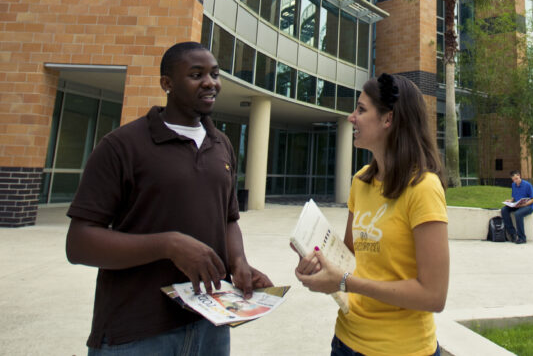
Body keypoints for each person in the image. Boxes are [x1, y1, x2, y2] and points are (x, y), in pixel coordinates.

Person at [66, 41, 271, 354]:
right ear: (167, 83)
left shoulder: (222, 145)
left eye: (215, 74)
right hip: (137, 330)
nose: (210, 82)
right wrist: (169, 245)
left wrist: (239, 261)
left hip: (210, 324)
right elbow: (79, 243)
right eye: (196, 74)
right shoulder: (121, 146)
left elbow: (228, 219)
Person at [294, 73, 449, 356]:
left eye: (362, 110)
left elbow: (434, 295)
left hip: (401, 349)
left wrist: (343, 281)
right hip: (345, 341)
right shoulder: (361, 180)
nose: (352, 118)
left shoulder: (424, 188)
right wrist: (316, 263)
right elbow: (350, 258)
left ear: (388, 119)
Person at [500, 170, 533, 244]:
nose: (515, 181)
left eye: (516, 178)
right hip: (517, 205)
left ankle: (522, 238)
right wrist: (510, 201)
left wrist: (524, 204)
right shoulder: (513, 185)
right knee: (504, 210)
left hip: (527, 206)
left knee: (518, 214)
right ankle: (512, 233)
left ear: (519, 176)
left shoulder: (527, 185)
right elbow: (514, 197)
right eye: (513, 179)